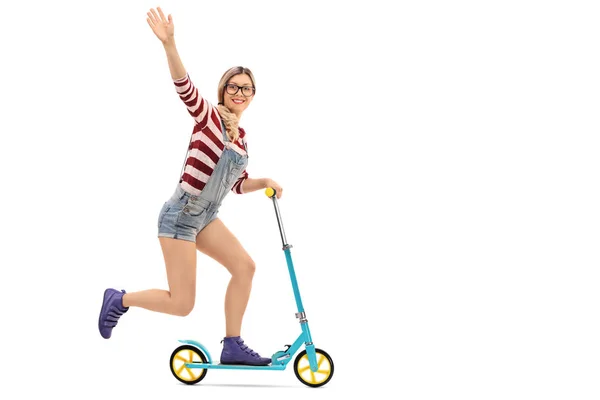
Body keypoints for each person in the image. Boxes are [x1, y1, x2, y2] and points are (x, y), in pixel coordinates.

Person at [98, 6, 283, 367]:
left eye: (246, 88)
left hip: (206, 218)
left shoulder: (241, 138)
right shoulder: (209, 117)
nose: (239, 92)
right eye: (233, 86)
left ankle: (232, 344)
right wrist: (169, 44)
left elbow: (236, 184)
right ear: (224, 90)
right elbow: (185, 87)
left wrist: (264, 183)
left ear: (253, 94)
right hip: (181, 215)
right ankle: (118, 300)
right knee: (182, 305)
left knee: (245, 267)